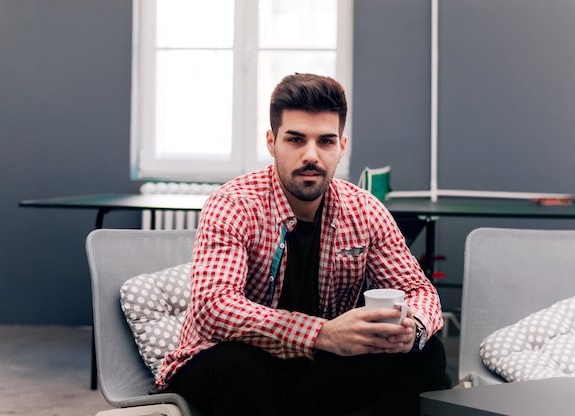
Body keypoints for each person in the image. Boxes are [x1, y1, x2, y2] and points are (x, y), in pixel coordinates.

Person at [156, 73, 446, 415]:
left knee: (427, 354)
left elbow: (419, 291)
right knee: (239, 366)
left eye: (325, 141)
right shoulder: (233, 203)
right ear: (271, 142)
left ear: (342, 146)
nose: (311, 155)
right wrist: (321, 333)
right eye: (296, 140)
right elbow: (213, 309)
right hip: (225, 363)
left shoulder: (365, 209)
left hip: (314, 367)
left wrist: (414, 329)